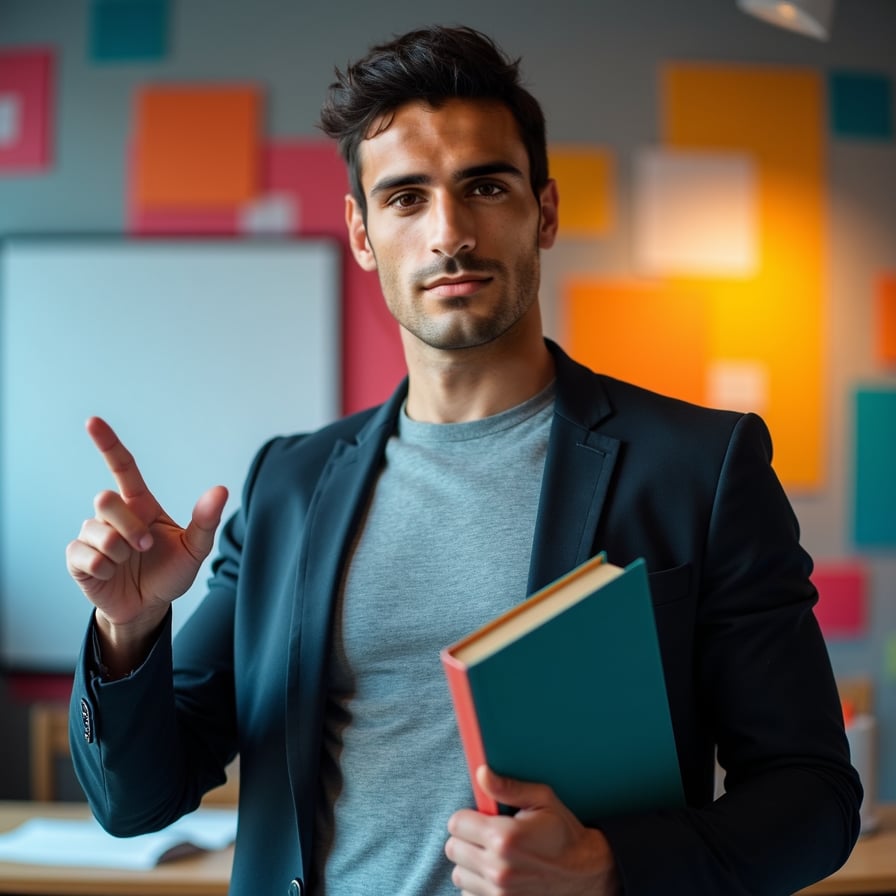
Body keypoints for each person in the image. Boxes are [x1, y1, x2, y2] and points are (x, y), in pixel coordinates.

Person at [65, 24, 861, 896]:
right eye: (405, 197)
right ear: (363, 234)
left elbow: (813, 800)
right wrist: (129, 631)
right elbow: (137, 801)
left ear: (543, 211)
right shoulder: (287, 485)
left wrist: (610, 868)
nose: (449, 231)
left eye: (484, 185)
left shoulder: (700, 469)